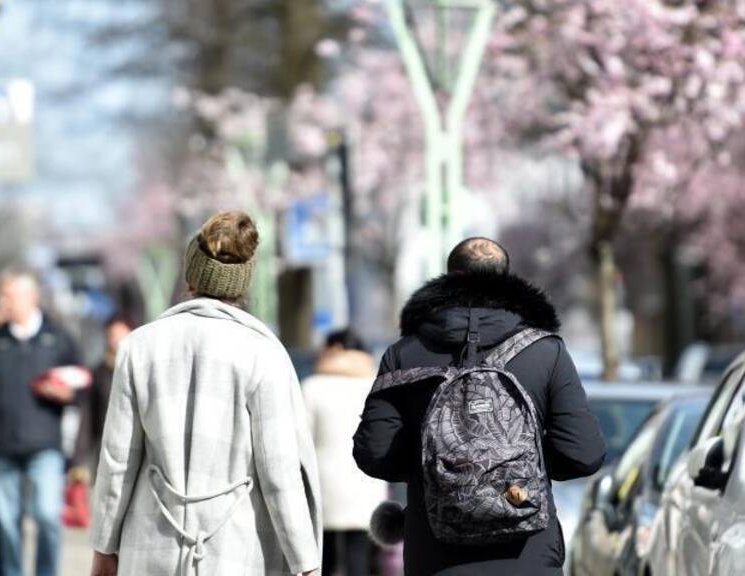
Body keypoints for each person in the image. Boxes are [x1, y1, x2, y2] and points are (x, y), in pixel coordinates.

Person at [353, 237, 606, 576]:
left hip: (435, 553)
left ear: (448, 279)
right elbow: (583, 454)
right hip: (528, 553)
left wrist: (438, 468)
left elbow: (374, 452)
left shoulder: (404, 354)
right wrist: (520, 467)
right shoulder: (546, 352)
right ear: (506, 279)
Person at [90, 211, 322, 576]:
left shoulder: (138, 347)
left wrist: (104, 549)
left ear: (190, 276)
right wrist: (306, 563)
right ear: (243, 283)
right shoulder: (263, 353)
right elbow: (280, 474)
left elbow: (118, 461)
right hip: (238, 552)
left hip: (149, 551)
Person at [0, 268, 82, 576]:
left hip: (45, 445)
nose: (4, 301)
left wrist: (66, 395)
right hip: (2, 446)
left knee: (48, 515)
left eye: (10, 295)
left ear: (31, 297)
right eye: (2, 295)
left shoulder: (58, 339)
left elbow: (82, 385)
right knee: (7, 522)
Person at [302, 328, 387, 576]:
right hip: (366, 483)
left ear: (335, 349)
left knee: (322, 559)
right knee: (360, 557)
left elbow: (303, 440)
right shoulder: (373, 386)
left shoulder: (312, 387)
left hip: (324, 485)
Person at [71, 312, 135, 484]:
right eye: (112, 336)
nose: (116, 341)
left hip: (137, 449)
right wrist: (78, 461)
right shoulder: (99, 373)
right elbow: (88, 419)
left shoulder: (141, 369)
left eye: (121, 335)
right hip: (107, 450)